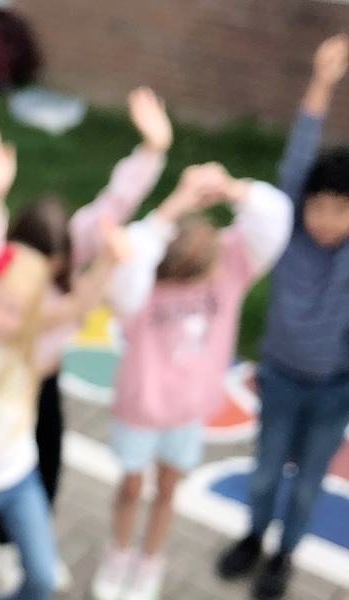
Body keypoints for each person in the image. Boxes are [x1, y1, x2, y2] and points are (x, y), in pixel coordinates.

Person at [0, 86, 173, 594]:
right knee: (3, 469)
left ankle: (31, 541)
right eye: (34, 262)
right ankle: (1, 545)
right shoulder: (1, 274)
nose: (43, 274)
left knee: (48, 466)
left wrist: (151, 150)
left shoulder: (75, 245)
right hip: (4, 388)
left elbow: (114, 203)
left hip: (45, 386)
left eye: (55, 263)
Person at [91, 163, 293, 600]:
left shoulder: (233, 261)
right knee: (130, 487)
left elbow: (276, 216)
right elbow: (132, 266)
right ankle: (119, 551)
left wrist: (232, 188)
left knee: (166, 489)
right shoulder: (141, 284)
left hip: (187, 410)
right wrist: (172, 207)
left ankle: (149, 560)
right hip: (141, 408)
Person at [0, 197, 131, 600]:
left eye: (11, 309)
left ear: (28, 315)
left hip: (19, 477)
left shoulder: (25, 345)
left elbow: (77, 305)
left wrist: (110, 263)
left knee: (42, 578)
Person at [216, 34, 349, 600]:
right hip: (279, 377)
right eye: (318, 206)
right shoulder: (291, 231)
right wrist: (320, 84)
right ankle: (252, 537)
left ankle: (284, 556)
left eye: (341, 211)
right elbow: (298, 159)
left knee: (306, 486)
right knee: (267, 472)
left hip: (333, 391)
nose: (325, 220)